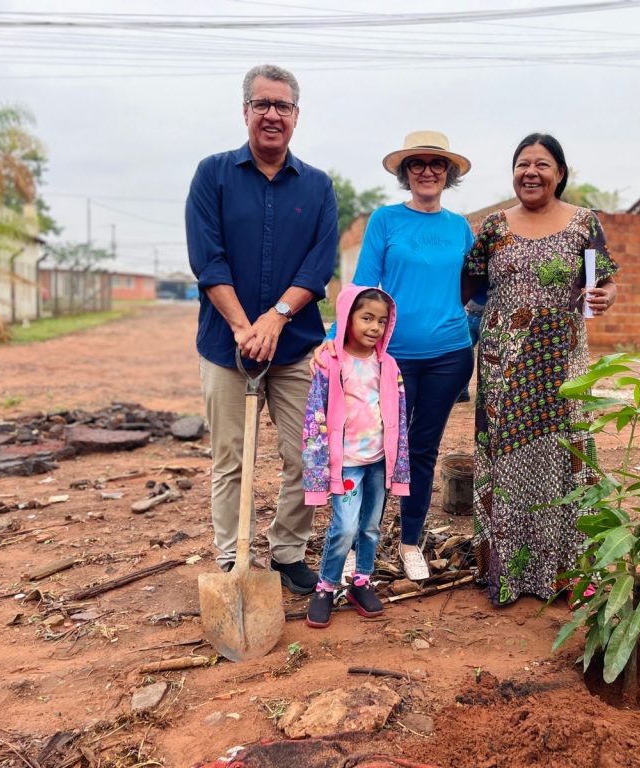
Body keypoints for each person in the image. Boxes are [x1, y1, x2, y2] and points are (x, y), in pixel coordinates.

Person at [185, 64, 338, 593]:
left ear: (297, 115)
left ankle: (289, 552)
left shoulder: (317, 186)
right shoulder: (213, 175)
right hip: (226, 348)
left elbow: (319, 267)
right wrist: (244, 327)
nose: (272, 114)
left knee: (304, 455)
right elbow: (208, 260)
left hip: (294, 347)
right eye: (262, 104)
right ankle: (233, 561)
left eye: (283, 106)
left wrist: (275, 318)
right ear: (245, 111)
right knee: (231, 459)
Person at [464, 133, 618, 606]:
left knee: (561, 461)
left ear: (560, 173)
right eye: (522, 164)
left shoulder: (584, 224)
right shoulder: (493, 227)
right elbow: (468, 288)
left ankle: (567, 571)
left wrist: (605, 297)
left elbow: (604, 284)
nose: (531, 172)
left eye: (542, 164)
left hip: (562, 365)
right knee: (507, 466)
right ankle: (507, 575)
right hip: (502, 367)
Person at [316, 131, 474, 582]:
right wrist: (335, 338)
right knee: (371, 451)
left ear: (448, 175)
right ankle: (351, 546)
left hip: (449, 355)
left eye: (436, 165)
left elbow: (473, 284)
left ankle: (409, 542)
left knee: (422, 450)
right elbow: (364, 284)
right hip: (388, 359)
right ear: (406, 174)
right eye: (418, 164)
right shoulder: (385, 221)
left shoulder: (459, 227)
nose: (427, 171)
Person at [302, 285, 410, 628]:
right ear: (347, 318)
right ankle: (326, 586)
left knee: (371, 528)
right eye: (366, 318)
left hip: (378, 461)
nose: (374, 327)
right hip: (346, 462)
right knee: (345, 527)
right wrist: (315, 466)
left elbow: (399, 415)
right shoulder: (330, 362)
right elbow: (315, 415)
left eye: (381, 320)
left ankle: (360, 582)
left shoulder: (388, 364)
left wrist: (399, 462)